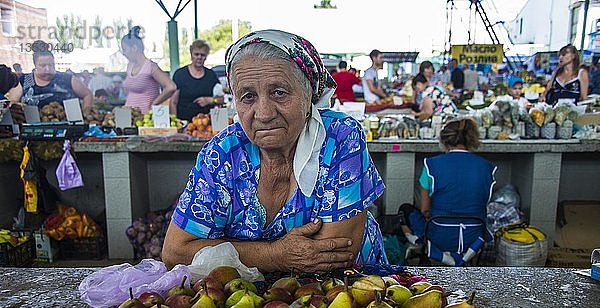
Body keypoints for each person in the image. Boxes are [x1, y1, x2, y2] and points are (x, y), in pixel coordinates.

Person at [162, 29, 388, 273]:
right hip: (253, 305)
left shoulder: (339, 138)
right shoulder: (223, 153)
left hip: (351, 294)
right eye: (248, 96)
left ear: (309, 94)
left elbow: (334, 255)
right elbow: (176, 252)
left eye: (279, 92)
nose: (264, 113)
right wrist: (275, 255)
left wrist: (234, 253)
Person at [398, 118, 496, 266]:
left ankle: (422, 247)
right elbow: (482, 204)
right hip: (474, 236)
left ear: (444, 140)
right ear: (471, 138)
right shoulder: (487, 167)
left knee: (404, 210)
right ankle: (464, 258)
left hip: (439, 235)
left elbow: (425, 210)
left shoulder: (431, 166)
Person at [19, 40, 92, 109]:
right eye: (43, 66)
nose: (48, 69)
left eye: (51, 65)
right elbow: (13, 101)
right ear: (35, 65)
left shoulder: (67, 78)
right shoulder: (25, 80)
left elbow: (87, 94)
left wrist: (86, 111)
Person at [121, 26, 176, 114]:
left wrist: (155, 104)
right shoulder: (129, 66)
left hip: (145, 117)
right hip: (127, 116)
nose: (123, 53)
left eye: (124, 49)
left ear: (134, 48)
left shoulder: (151, 67)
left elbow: (171, 87)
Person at [170, 39, 223, 121]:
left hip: (207, 124)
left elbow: (222, 99)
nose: (199, 57)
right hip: (185, 122)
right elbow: (173, 102)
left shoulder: (211, 75)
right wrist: (176, 124)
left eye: (202, 55)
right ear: (191, 54)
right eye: (196, 54)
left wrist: (210, 100)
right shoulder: (180, 74)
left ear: (206, 57)